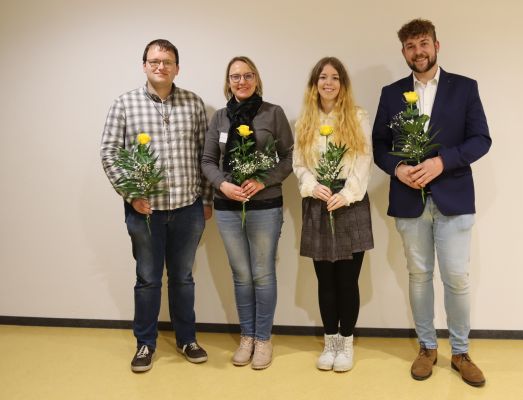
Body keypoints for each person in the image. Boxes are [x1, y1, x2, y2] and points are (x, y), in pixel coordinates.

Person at [372, 19, 491, 386]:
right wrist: (397, 168)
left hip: (453, 197)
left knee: (456, 277)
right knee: (419, 276)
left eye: (423, 43)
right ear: (403, 52)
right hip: (409, 200)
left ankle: (460, 351)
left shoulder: (465, 88)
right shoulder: (391, 93)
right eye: (410, 46)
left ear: (437, 46)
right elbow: (379, 145)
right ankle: (427, 347)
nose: (418, 52)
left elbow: (481, 140)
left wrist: (443, 161)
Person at [100, 39, 214, 373]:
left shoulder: (193, 104)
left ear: (177, 67)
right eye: (154, 61)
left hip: (188, 208)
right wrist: (130, 194)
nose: (160, 66)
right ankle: (145, 344)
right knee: (148, 279)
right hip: (144, 211)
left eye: (167, 61)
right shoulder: (125, 104)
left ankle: (186, 339)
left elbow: (205, 156)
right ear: (144, 65)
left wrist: (206, 200)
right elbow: (108, 152)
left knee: (182, 278)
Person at [201, 56, 293, 370]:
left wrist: (263, 180)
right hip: (228, 207)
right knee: (241, 275)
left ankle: (264, 339)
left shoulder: (273, 113)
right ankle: (247, 336)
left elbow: (290, 156)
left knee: (263, 274)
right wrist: (223, 186)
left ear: (257, 79)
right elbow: (208, 161)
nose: (242, 81)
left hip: (265, 205)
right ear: (228, 82)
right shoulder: (220, 118)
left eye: (248, 75)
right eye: (235, 76)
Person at [293, 57, 374, 372]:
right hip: (318, 202)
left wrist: (348, 193)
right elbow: (299, 163)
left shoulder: (357, 115)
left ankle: (347, 343)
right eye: (322, 77)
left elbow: (364, 159)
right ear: (315, 84)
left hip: (349, 203)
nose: (328, 83)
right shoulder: (305, 120)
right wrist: (312, 185)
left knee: (347, 280)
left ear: (343, 84)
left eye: (335, 78)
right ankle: (330, 343)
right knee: (324, 280)